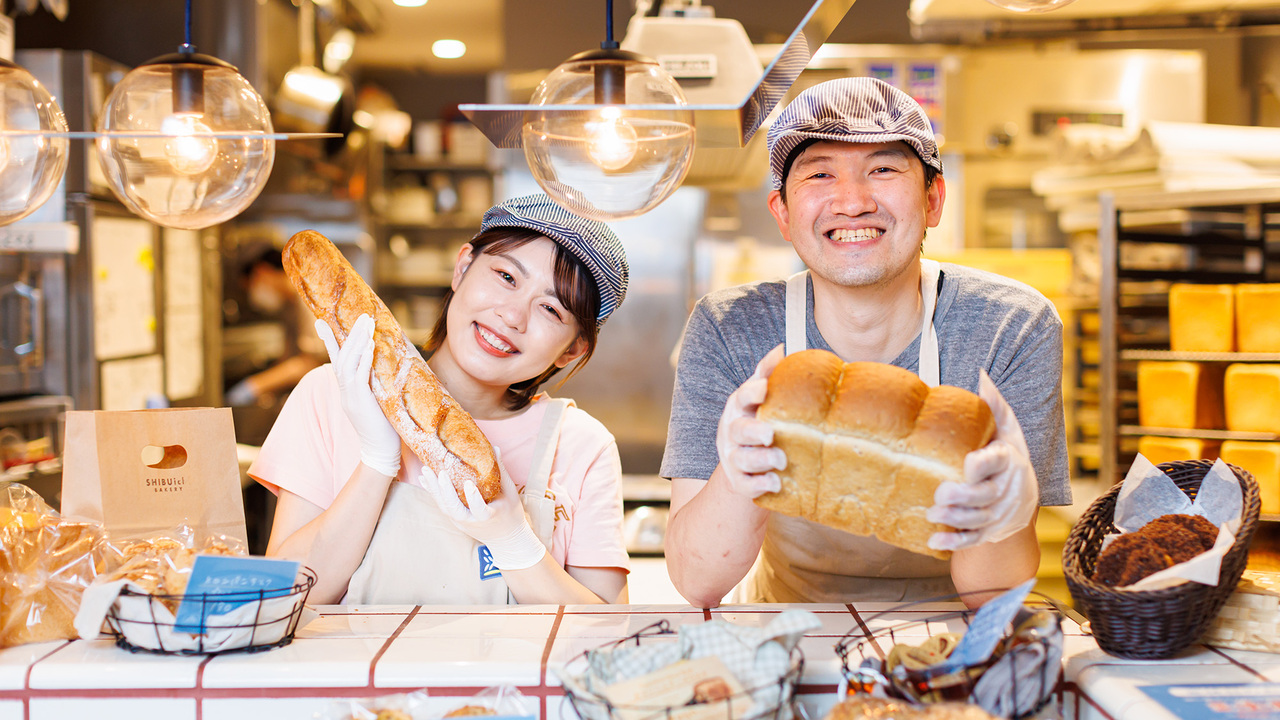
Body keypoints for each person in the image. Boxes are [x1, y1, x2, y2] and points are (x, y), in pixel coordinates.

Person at [661, 78, 1071, 609]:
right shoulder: (732, 327)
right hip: (787, 633)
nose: (852, 203)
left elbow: (991, 595)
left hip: (954, 637)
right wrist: (738, 475)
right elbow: (698, 583)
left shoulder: (1011, 326)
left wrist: (1000, 514)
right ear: (782, 213)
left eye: (882, 169)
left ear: (933, 199)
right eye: (820, 173)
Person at [249, 195, 631, 605]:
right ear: (463, 266)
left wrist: (515, 542)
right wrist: (377, 463)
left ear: (572, 349)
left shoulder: (581, 446)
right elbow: (279, 603)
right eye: (506, 276)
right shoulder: (332, 394)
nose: (512, 315)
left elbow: (608, 631)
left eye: (551, 310)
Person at [225, 248, 327, 406]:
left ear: (262, 272)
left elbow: (309, 364)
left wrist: (254, 386)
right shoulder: (289, 307)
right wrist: (270, 388)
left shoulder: (309, 297)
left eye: (251, 287)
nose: (253, 297)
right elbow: (288, 358)